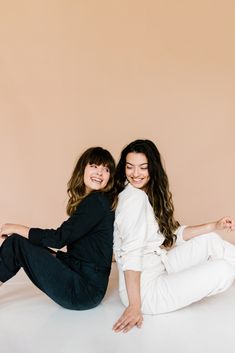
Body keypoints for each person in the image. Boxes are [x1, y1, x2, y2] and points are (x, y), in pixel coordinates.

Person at [112, 139, 235, 333]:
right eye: (130, 167)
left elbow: (171, 236)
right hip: (146, 291)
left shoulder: (146, 194)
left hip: (160, 265)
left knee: (210, 240)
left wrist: (214, 225)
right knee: (224, 269)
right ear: (123, 168)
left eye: (143, 168)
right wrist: (135, 305)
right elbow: (131, 253)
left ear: (153, 168)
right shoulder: (133, 199)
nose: (136, 174)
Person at [0, 146, 115, 310]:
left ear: (109, 177)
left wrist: (16, 227)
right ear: (82, 168)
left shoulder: (97, 202)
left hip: (83, 291)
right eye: (94, 166)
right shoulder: (95, 201)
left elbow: (59, 238)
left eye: (106, 169)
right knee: (18, 241)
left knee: (16, 243)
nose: (99, 173)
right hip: (82, 278)